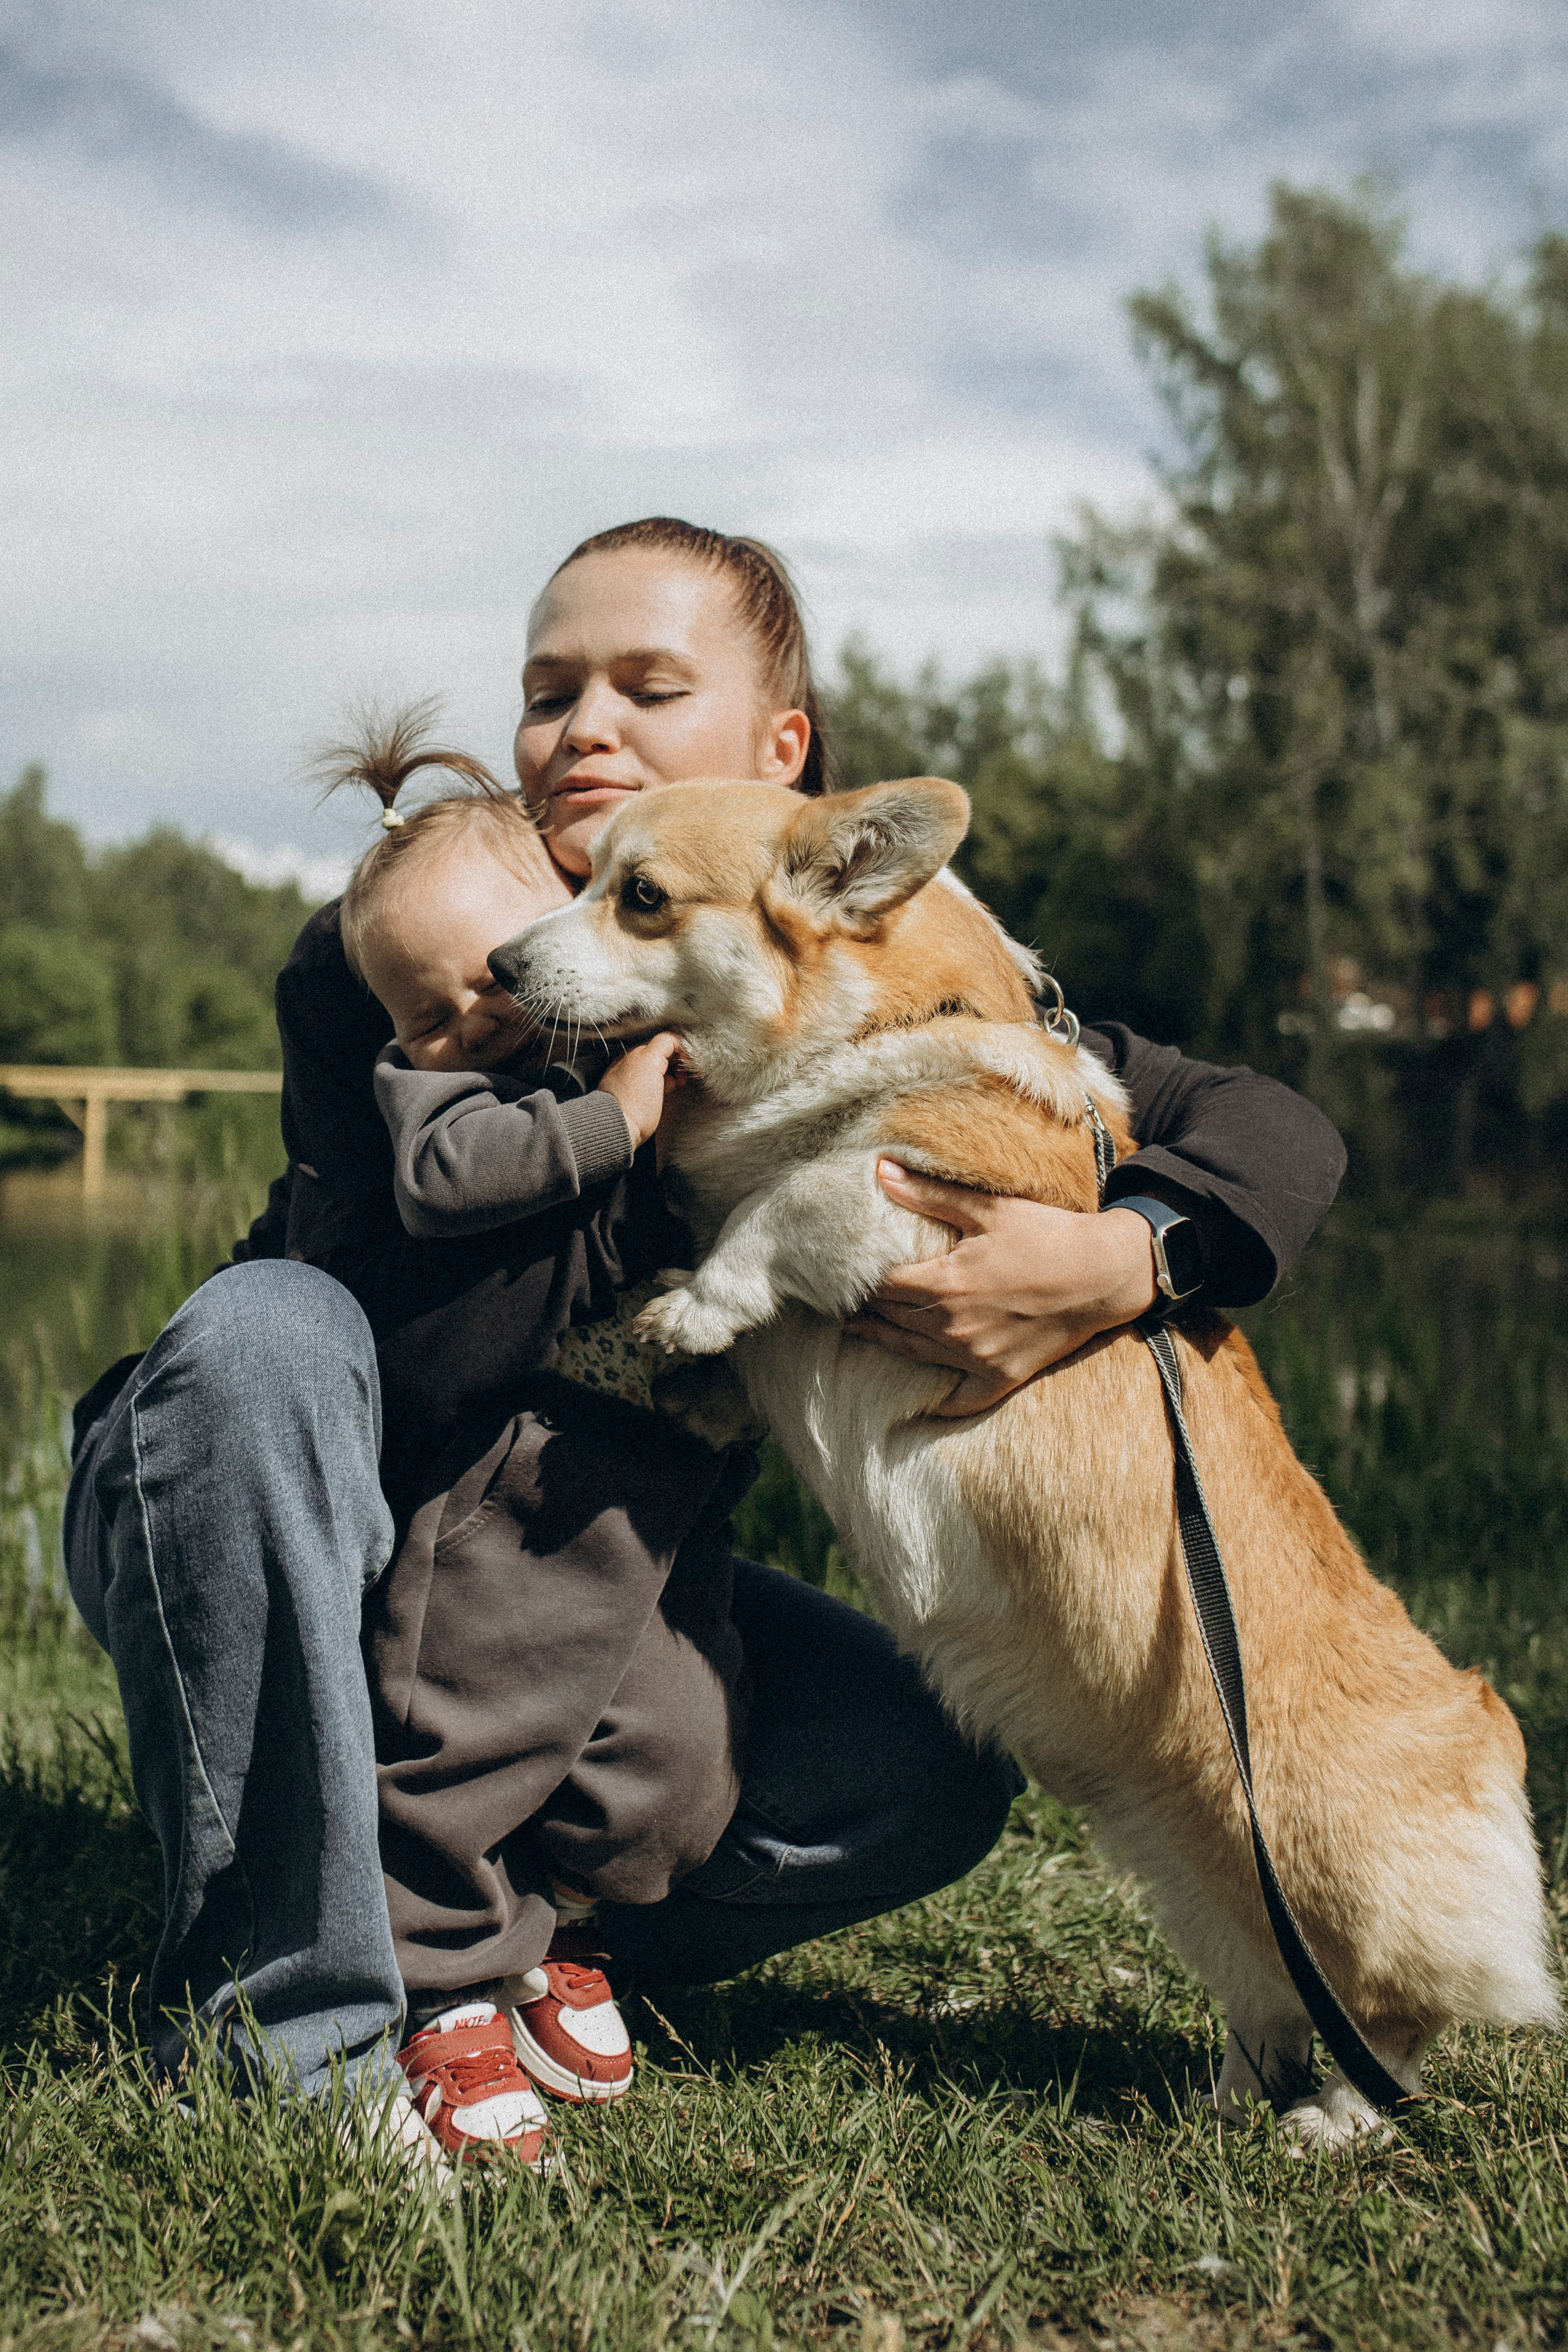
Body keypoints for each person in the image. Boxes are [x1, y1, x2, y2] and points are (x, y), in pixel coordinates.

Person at [63, 516, 1348, 2176]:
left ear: (780, 752)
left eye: (647, 688)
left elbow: (1258, 1125)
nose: (581, 728)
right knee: (267, 1334)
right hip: (299, 1508)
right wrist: (645, 1146)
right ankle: (295, 2019)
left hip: (561, 1574)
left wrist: (1122, 1254)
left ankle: (513, 1932)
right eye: (548, 692)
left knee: (917, 1769)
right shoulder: (426, 932)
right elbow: (420, 1359)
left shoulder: (849, 951)